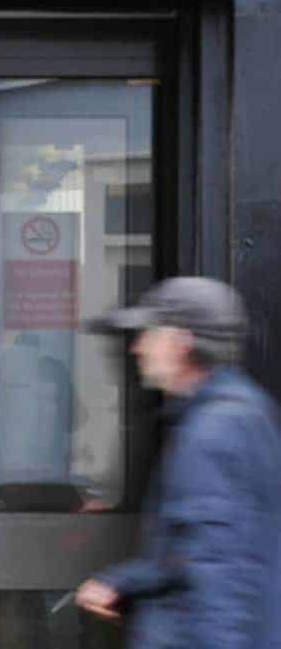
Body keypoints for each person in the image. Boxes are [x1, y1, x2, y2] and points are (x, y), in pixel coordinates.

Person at [75, 277, 281, 649]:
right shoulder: (238, 415)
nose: (138, 348)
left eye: (149, 334)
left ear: (181, 342)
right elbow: (191, 551)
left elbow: (219, 573)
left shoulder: (215, 430)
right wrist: (124, 582)